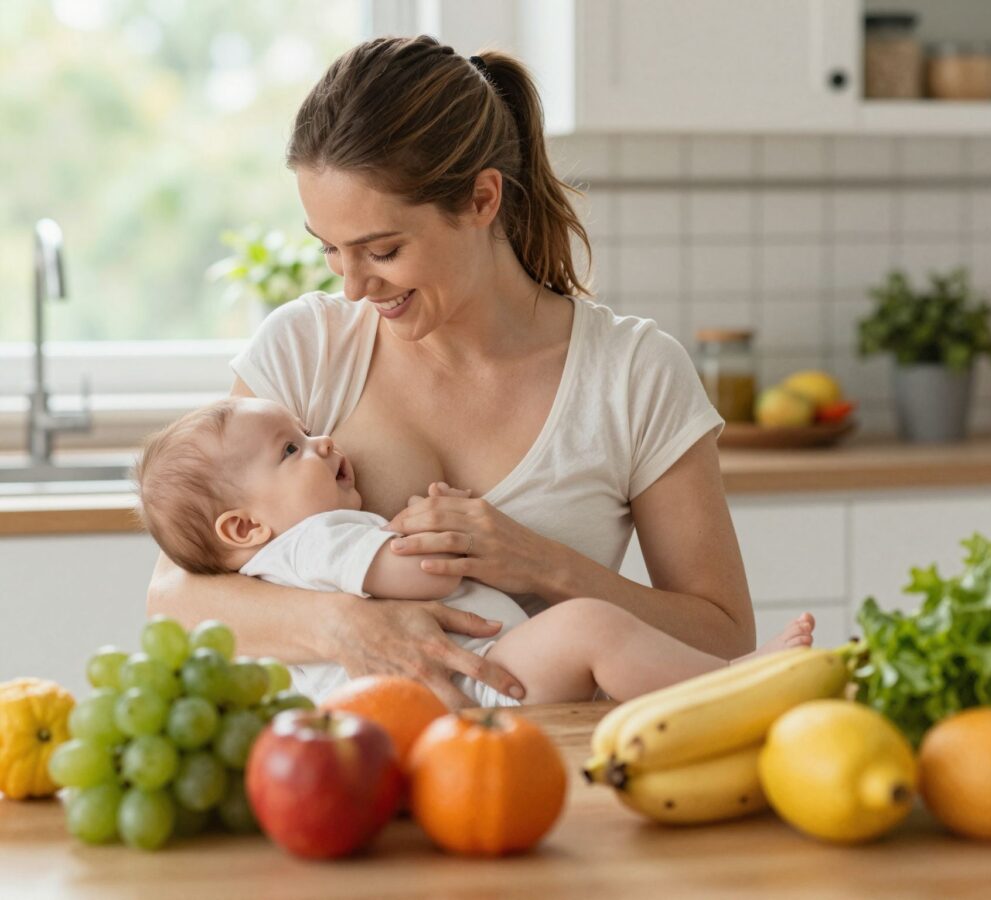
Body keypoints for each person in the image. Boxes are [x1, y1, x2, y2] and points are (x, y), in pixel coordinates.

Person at [147, 34, 815, 708]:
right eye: (330, 250)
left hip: (543, 770)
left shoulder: (634, 375)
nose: (352, 287)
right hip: (351, 767)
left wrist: (543, 564)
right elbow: (174, 600)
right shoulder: (307, 345)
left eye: (381, 249)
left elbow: (726, 642)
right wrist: (349, 626)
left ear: (481, 199)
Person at [134, 395, 816, 705]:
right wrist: (430, 531)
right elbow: (422, 578)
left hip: (465, 686)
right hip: (476, 680)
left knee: (593, 638)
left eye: (308, 431)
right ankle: (738, 684)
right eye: (293, 450)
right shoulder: (316, 541)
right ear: (244, 529)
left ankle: (724, 688)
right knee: (589, 627)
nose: (324, 444)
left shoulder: (296, 546)